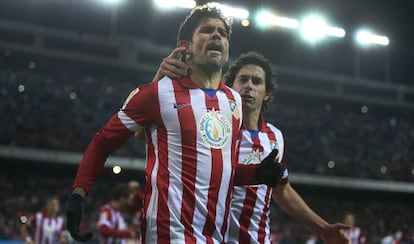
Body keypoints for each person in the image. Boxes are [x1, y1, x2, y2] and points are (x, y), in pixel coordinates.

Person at [65, 3, 283, 244]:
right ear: (185, 46)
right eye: (207, 30)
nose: (216, 35)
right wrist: (78, 194)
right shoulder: (156, 94)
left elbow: (220, 172)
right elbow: (102, 143)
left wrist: (256, 173)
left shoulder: (233, 102)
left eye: (222, 33)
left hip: (213, 238)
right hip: (169, 236)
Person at [154, 51, 352, 244]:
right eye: (243, 80)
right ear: (230, 88)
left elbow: (282, 191)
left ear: (267, 94)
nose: (249, 85)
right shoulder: (213, 128)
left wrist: (323, 227)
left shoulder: (275, 137)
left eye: (256, 81)